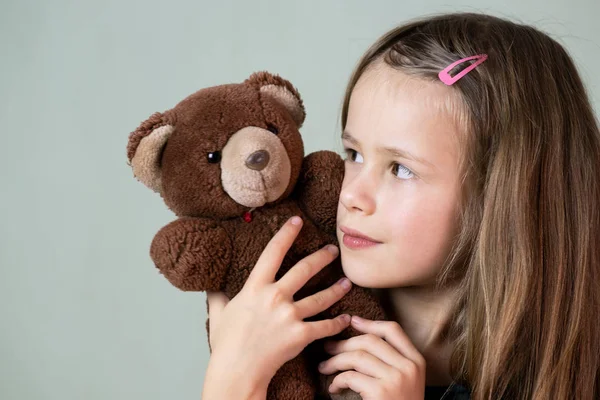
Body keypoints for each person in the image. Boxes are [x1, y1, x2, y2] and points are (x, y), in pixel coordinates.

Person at [201, 12, 600, 400]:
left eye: (401, 169)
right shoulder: (286, 319)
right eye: (353, 154)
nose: (352, 195)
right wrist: (233, 377)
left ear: (503, 194)